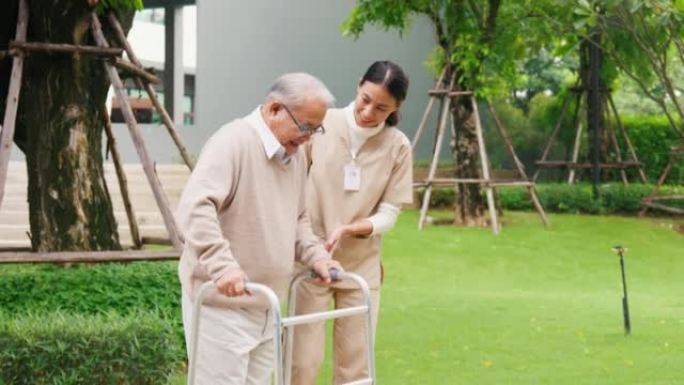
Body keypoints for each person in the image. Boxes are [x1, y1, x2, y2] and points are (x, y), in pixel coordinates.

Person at [176, 72, 343, 385]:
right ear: (275, 109)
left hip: (267, 305)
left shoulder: (294, 154)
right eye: (305, 126)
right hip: (221, 306)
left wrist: (316, 256)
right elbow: (195, 208)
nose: (308, 137)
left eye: (316, 129)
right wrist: (222, 266)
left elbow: (297, 218)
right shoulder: (233, 141)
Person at [291, 60, 413, 385]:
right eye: (365, 99)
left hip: (361, 266)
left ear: (397, 107)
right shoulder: (321, 125)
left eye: (382, 108)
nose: (369, 112)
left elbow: (389, 213)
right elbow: (291, 188)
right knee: (301, 363)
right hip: (311, 260)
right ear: (359, 85)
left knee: (355, 370)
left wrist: (350, 229)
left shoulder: (398, 146)